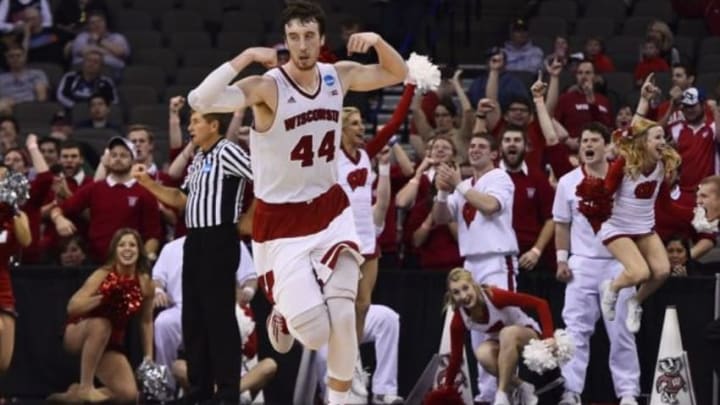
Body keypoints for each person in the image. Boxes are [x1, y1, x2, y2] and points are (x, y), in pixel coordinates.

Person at [185, 1, 407, 403]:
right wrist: (249, 57)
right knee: (316, 332)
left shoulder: (337, 77)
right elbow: (200, 100)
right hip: (280, 225)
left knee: (343, 312)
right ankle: (284, 315)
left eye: (309, 37)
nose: (302, 46)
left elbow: (398, 73)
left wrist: (376, 40)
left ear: (322, 40)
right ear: (285, 42)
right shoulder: (269, 86)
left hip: (328, 208)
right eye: (293, 38)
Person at [131, 109, 252, 403]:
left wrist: (249, 220)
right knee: (194, 318)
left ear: (214, 125)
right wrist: (147, 184)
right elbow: (179, 199)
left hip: (219, 237)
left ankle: (226, 393)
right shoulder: (198, 158)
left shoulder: (228, 151)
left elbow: (263, 180)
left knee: (219, 318)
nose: (190, 126)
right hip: (194, 240)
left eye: (196, 121)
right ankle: (199, 391)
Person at [577, 76, 683, 334]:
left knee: (661, 271)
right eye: (657, 137)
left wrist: (697, 216)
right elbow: (604, 193)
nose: (663, 142)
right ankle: (611, 288)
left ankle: (635, 301)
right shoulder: (623, 165)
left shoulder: (661, 167)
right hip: (617, 226)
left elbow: (667, 206)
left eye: (663, 138)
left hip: (644, 227)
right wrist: (593, 204)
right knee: (639, 273)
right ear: (644, 143)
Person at [553, 122, 641, 405]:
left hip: (618, 264)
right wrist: (561, 260)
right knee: (575, 330)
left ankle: (628, 392)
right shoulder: (567, 182)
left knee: (622, 331)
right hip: (582, 263)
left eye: (593, 140)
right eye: (583, 141)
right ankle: (571, 390)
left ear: (606, 146)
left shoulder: (624, 178)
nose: (588, 145)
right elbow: (561, 224)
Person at [431, 133, 518, 402]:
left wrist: (458, 185)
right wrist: (443, 192)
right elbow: (441, 218)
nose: (475, 149)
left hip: (497, 260)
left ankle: (506, 392)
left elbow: (491, 206)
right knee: (477, 330)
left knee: (502, 329)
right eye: (471, 145)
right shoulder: (465, 184)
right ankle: (487, 394)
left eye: (482, 146)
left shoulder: (500, 178)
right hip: (470, 263)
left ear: (494, 154)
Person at [47, 228, 154, 403]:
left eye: (132, 245)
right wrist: (103, 298)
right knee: (101, 324)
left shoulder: (145, 283)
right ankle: (85, 387)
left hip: (110, 343)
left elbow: (146, 321)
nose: (127, 249)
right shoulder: (103, 274)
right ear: (115, 250)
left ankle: (73, 396)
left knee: (128, 395)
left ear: (139, 250)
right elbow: (72, 307)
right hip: (79, 331)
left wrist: (149, 357)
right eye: (122, 245)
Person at [424, 268, 555, 405]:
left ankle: (501, 396)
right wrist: (447, 389)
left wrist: (549, 337)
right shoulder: (459, 319)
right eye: (456, 292)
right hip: (503, 344)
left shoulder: (494, 296)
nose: (463, 296)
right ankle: (523, 386)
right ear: (451, 296)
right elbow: (456, 358)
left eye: (465, 288)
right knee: (482, 353)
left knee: (507, 333)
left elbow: (540, 304)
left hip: (527, 336)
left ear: (474, 285)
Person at [314, 304, 404, 405]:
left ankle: (383, 391)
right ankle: (330, 397)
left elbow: (363, 300)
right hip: (317, 317)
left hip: (345, 308)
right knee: (327, 345)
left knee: (387, 318)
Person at [0, 165, 31, 373]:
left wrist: (13, 210)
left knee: (3, 361)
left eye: (4, 179)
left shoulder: (17, 215)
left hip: (3, 283)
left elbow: (25, 241)